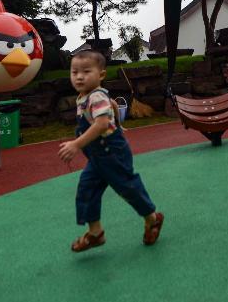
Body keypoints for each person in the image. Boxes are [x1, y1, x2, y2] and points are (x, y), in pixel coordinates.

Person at [58, 49, 164, 252]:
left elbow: (101, 124)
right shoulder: (86, 96)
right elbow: (112, 103)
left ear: (101, 75)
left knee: (127, 187)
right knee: (87, 189)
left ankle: (152, 218)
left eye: (86, 71)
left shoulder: (96, 96)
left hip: (113, 153)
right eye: (74, 72)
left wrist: (76, 144)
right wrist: (117, 121)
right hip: (98, 157)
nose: (79, 77)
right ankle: (96, 233)